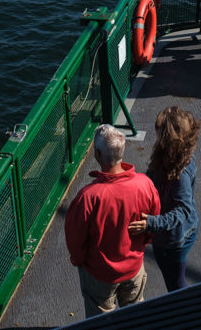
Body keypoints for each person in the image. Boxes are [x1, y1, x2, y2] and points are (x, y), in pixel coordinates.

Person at [64, 124, 162, 318]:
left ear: (98, 154)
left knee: (101, 321)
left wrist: (80, 261)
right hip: (134, 268)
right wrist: (142, 243)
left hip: (100, 275)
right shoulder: (145, 185)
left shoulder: (88, 197)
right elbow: (153, 221)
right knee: (135, 316)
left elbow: (75, 239)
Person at [128, 106, 201, 292]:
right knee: (175, 280)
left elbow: (183, 210)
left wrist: (152, 223)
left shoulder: (181, 173)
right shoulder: (179, 157)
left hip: (173, 240)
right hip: (179, 233)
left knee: (175, 284)